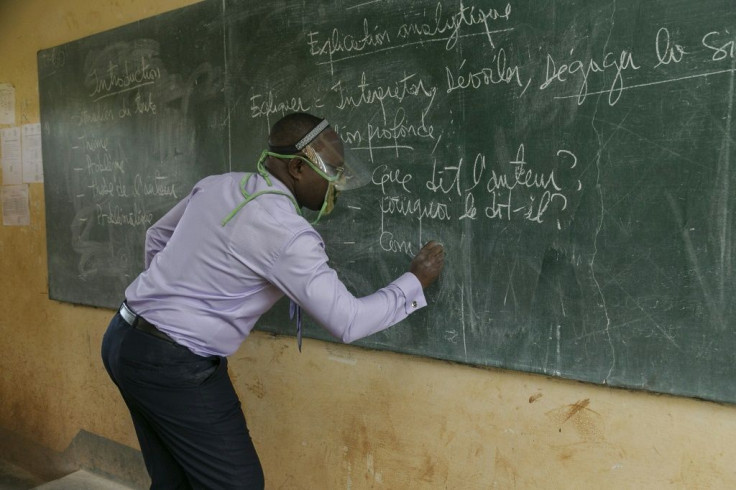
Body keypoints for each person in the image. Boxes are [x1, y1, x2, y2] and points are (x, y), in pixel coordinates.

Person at [101, 112, 445, 489]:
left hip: (124, 338)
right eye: (332, 170)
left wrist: (166, 307)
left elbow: (156, 237)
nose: (337, 186)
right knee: (239, 483)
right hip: (174, 363)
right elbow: (348, 321)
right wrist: (415, 281)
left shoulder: (220, 185)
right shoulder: (286, 232)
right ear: (297, 167)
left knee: (173, 480)